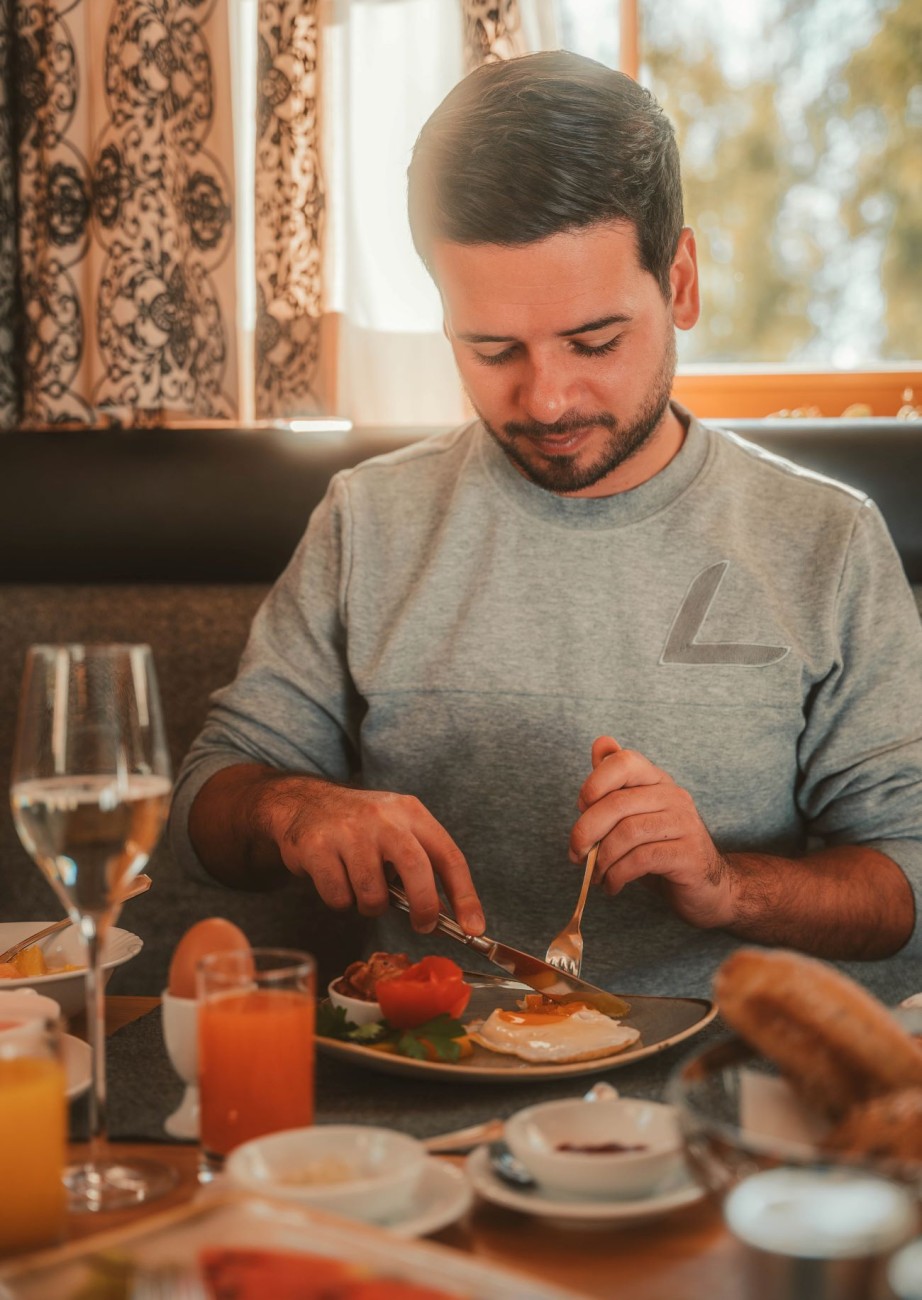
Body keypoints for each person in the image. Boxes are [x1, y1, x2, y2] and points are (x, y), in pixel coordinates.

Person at [170, 51, 922, 999]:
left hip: (722, 1109)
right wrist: (292, 806)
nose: (548, 397)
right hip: (425, 1099)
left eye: (595, 341)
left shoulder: (827, 541)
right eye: (492, 350)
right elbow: (207, 801)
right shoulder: (369, 520)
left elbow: (907, 879)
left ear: (680, 283)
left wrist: (728, 886)